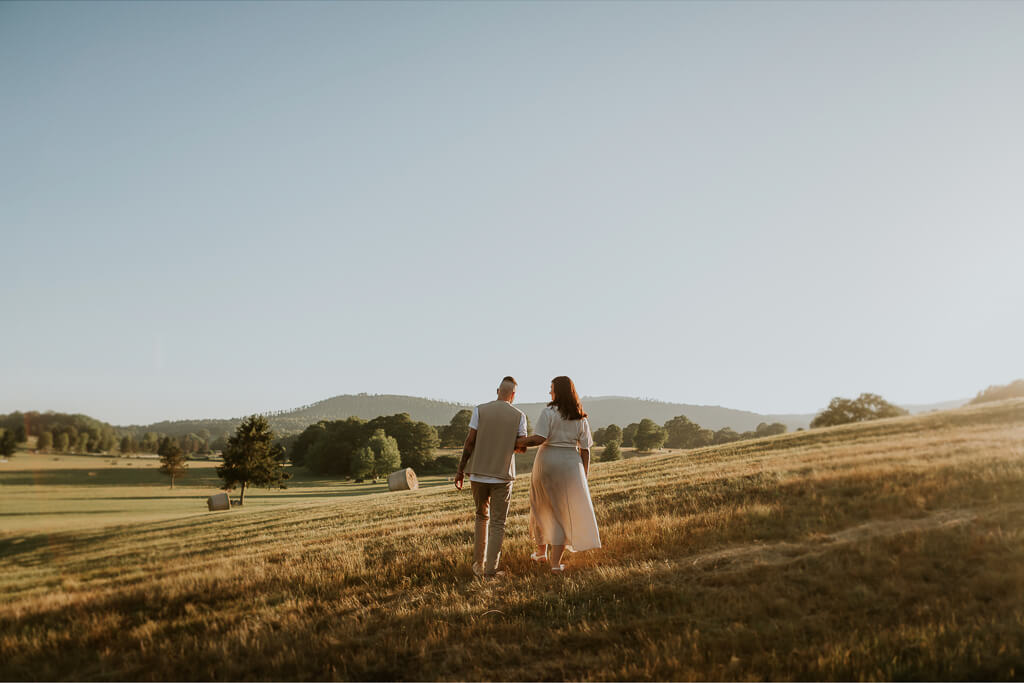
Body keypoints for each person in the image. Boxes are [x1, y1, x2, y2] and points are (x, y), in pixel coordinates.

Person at [517, 376, 601, 572]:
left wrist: (517, 442)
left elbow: (538, 439)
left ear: (558, 392)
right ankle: (555, 564)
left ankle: (541, 553)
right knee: (563, 512)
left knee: (540, 506)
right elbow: (585, 450)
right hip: (571, 466)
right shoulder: (581, 417)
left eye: (552, 388)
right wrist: (584, 475)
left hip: (548, 462)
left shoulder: (548, 412)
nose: (550, 392)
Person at [454, 376, 528, 578]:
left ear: (497, 391)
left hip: (477, 474)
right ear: (513, 395)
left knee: (481, 517)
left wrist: (461, 470)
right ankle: (490, 572)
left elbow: (469, 442)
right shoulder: (519, 415)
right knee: (497, 523)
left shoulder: (479, 410)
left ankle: (478, 565)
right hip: (502, 476)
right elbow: (521, 446)